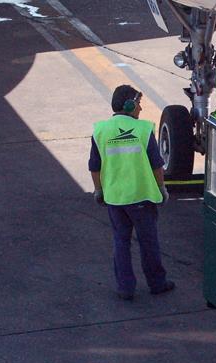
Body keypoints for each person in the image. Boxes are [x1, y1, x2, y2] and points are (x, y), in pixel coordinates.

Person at [89, 85, 174, 301]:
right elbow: (157, 165)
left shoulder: (100, 131)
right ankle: (156, 283)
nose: (141, 108)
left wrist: (99, 191)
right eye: (138, 103)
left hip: (115, 199)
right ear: (128, 105)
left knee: (121, 241)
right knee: (148, 242)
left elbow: (94, 166)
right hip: (141, 198)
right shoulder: (143, 130)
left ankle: (125, 288)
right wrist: (162, 188)